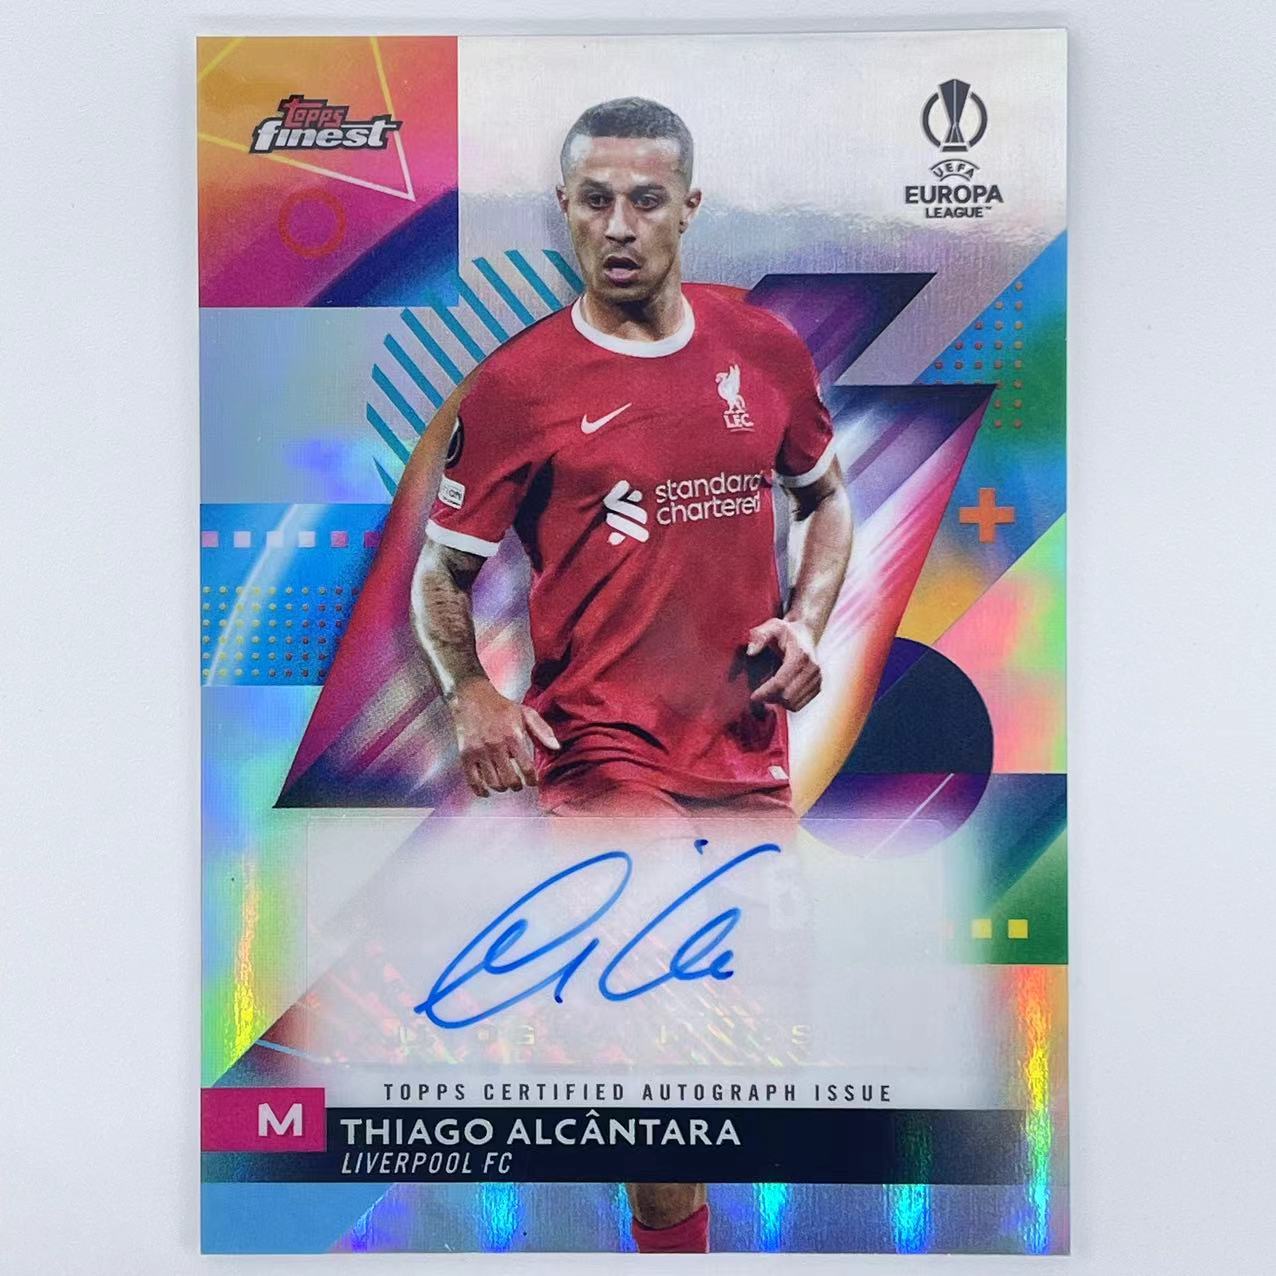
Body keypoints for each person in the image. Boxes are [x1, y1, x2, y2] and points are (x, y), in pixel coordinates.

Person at [411, 97, 853, 1254]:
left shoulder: (760, 347)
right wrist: (472, 691)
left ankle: (669, 1238)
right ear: (563, 208)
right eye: (595, 200)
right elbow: (441, 574)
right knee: (660, 1026)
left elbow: (826, 500)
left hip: (743, 752)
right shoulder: (518, 386)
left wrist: (808, 623)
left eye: (645, 200)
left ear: (687, 209)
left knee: (730, 1055)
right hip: (604, 754)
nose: (618, 224)